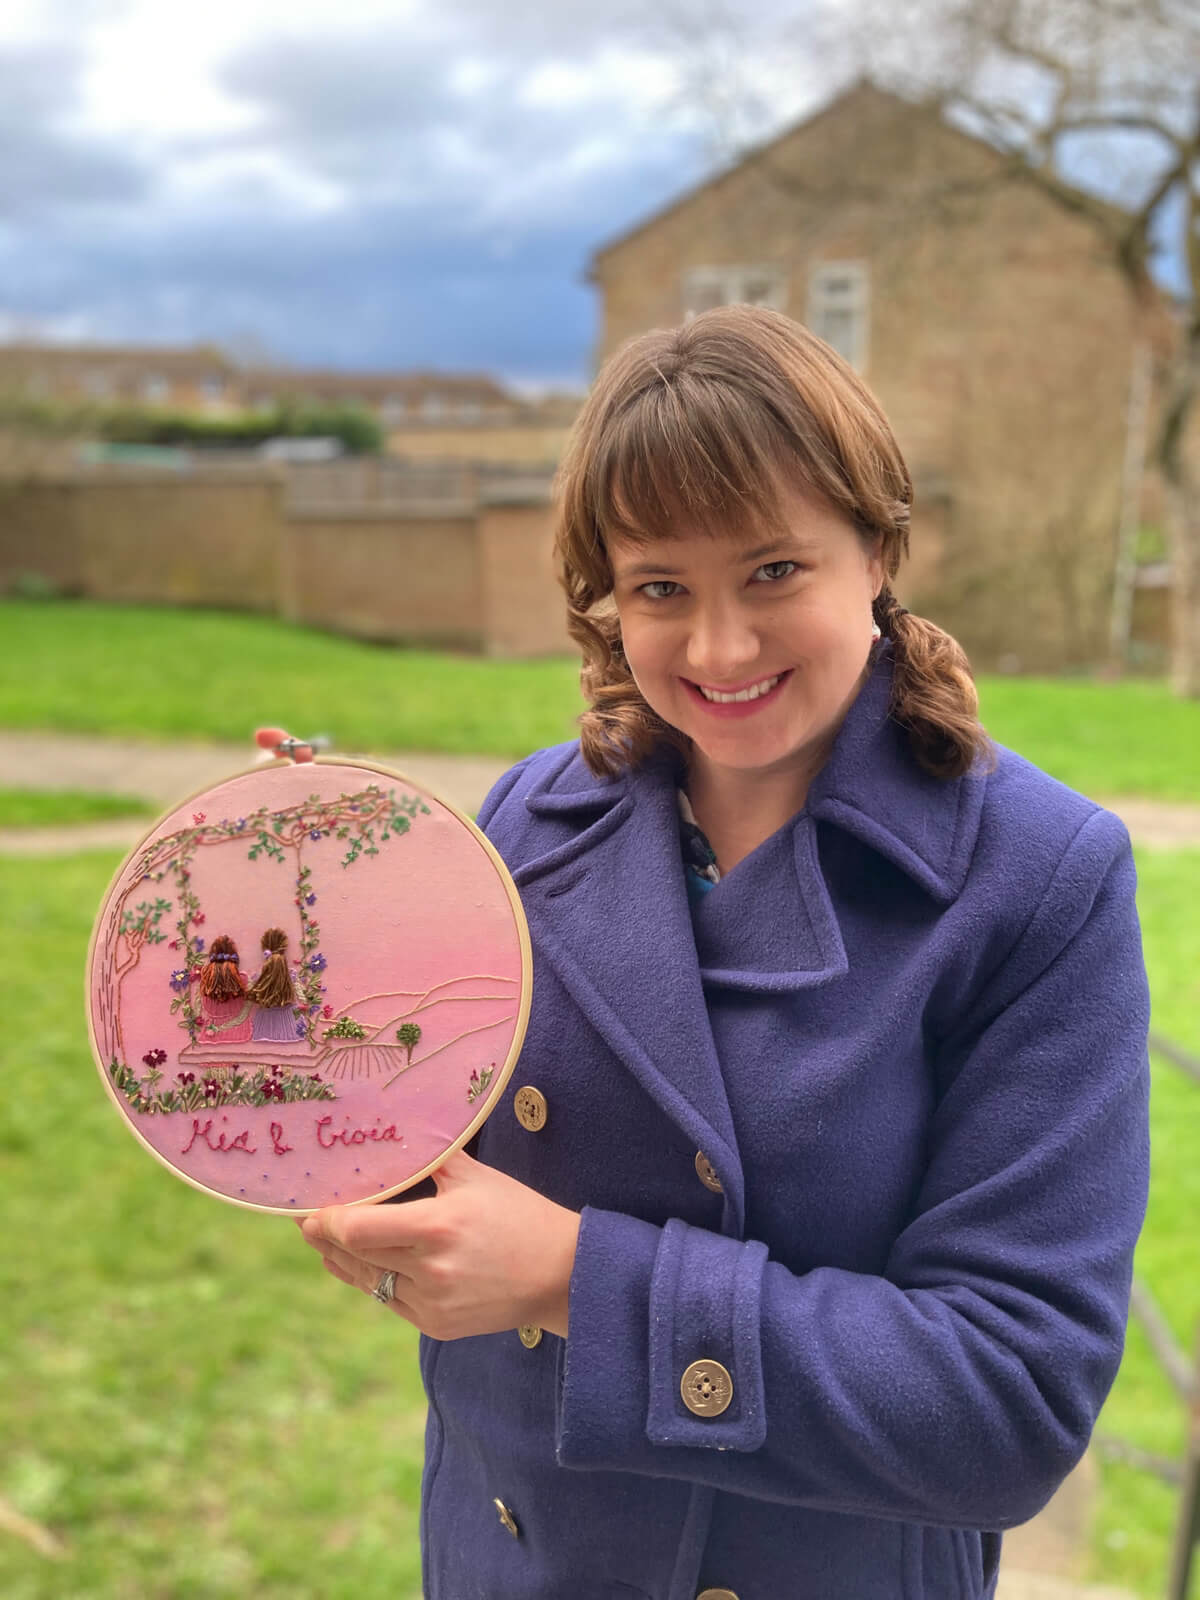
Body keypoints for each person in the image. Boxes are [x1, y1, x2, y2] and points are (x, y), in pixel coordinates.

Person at [299, 305, 1150, 1599]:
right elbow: (431, 1139)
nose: (718, 648)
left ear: (877, 547)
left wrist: (574, 1279)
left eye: (772, 572)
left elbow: (1011, 1402)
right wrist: (282, 903)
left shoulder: (1036, 879)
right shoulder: (526, 822)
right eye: (660, 589)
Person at [193, 934, 252, 1070]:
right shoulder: (242, 979)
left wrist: (216, 1028)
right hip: (240, 1036)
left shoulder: (205, 980)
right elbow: (244, 1012)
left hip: (210, 1037)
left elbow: (197, 1010)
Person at [248, 927, 301, 1041]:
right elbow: (302, 997)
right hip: (289, 1023)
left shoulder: (258, 979)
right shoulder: (291, 975)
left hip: (265, 1022)